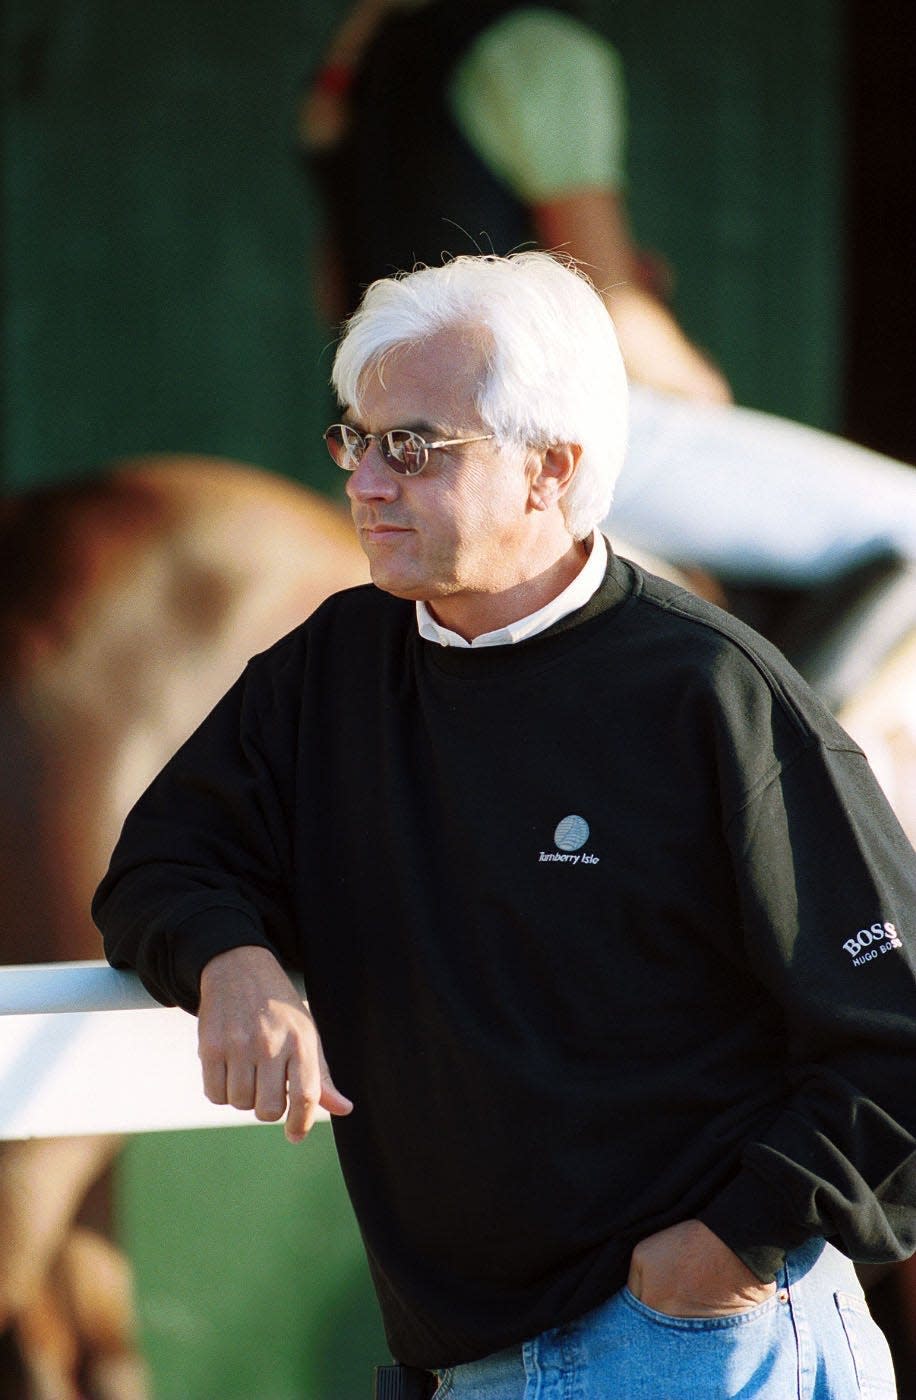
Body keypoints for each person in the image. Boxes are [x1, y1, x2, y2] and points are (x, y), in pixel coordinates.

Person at [94, 252, 915, 1398]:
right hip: (462, 1362)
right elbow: (161, 857)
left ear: (552, 468)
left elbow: (898, 1034)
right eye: (357, 438)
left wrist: (724, 1253)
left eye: (414, 447)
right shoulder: (329, 668)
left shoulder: (717, 697)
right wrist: (230, 958)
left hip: (691, 1346)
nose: (365, 481)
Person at [299, 0, 916, 589]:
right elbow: (611, 300)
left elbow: (334, 288)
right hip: (518, 427)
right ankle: (773, 699)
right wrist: (697, 384)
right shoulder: (540, 49)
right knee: (905, 518)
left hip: (380, 440)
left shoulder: (356, 57)